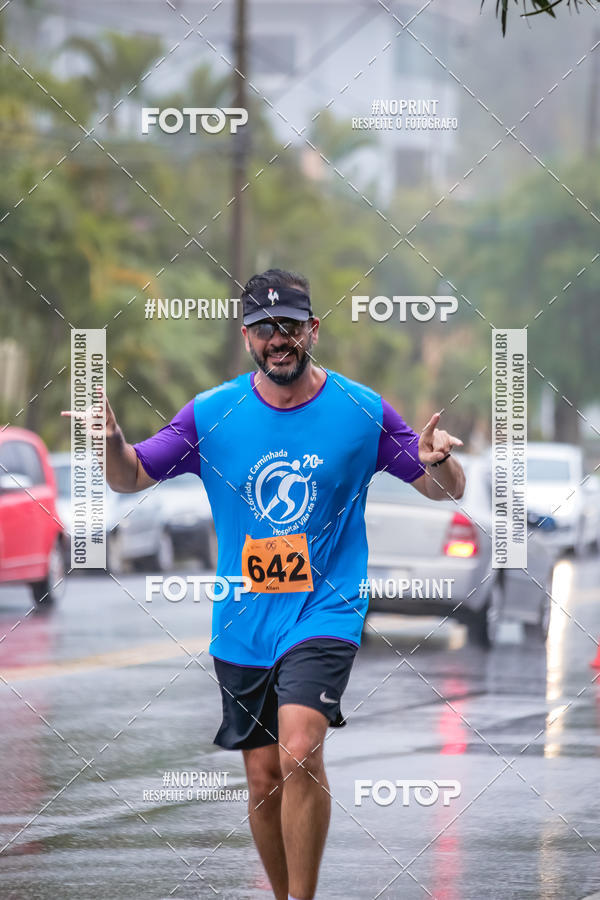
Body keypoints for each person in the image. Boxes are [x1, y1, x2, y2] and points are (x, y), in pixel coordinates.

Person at [65, 268, 465, 900]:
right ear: (246, 336)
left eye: (288, 327)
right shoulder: (213, 414)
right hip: (244, 618)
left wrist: (445, 463)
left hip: (326, 607)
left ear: (312, 329)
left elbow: (439, 486)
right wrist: (111, 442)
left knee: (300, 748)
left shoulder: (360, 411)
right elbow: (130, 476)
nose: (277, 339)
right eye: (262, 329)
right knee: (261, 775)